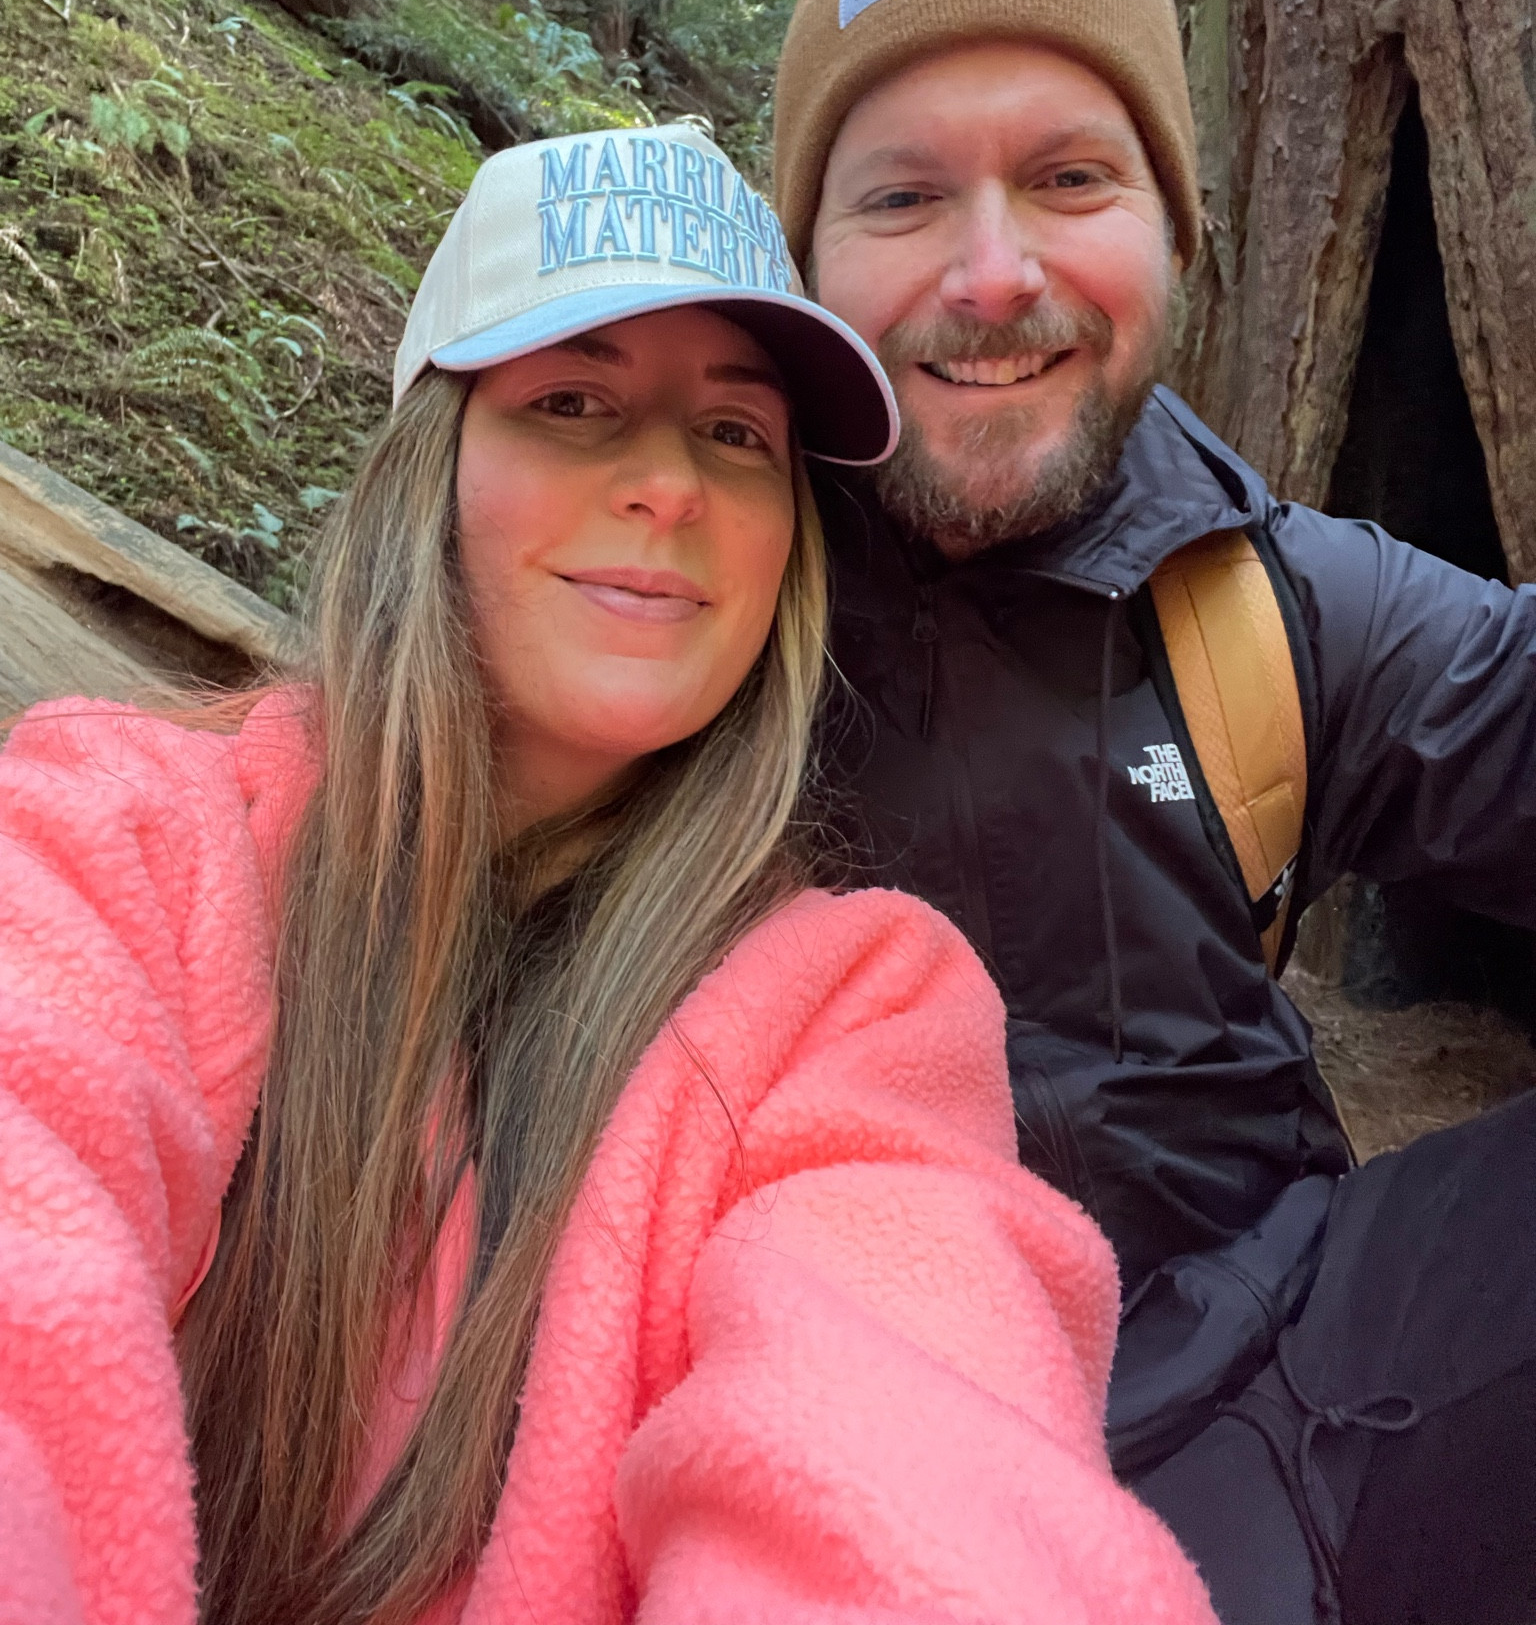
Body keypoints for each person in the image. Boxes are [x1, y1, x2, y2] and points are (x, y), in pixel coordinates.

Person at [0, 123, 1216, 1625]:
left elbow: (910, 1430)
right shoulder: (113, 836)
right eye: (574, 401)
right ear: (429, 471)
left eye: (735, 434)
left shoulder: (852, 1022)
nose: (668, 485)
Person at [773, 0, 1536, 1625]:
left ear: (1176, 227)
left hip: (1295, 1381)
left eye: (1068, 178)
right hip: (818, 1445)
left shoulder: (1272, 611)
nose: (990, 272)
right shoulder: (687, 598)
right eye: (899, 199)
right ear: (803, 259)